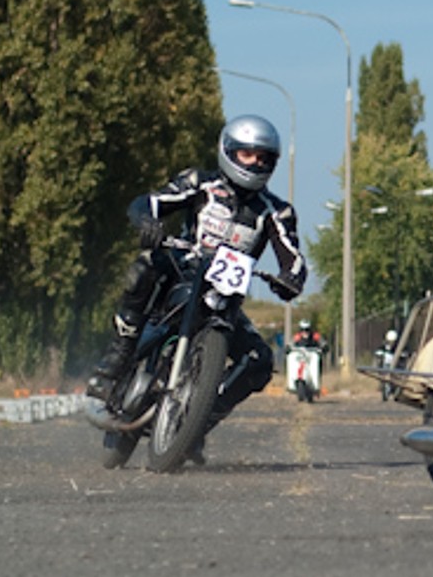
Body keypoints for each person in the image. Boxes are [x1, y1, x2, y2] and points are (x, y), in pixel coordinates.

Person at [86, 115, 307, 440]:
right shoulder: (199, 183)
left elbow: (293, 257)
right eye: (247, 154)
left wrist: (291, 278)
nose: (254, 163)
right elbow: (149, 202)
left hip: (225, 299)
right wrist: (147, 222)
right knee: (144, 268)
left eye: (263, 158)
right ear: (228, 151)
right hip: (183, 271)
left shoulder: (276, 212)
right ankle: (114, 363)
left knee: (259, 361)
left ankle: (199, 422)